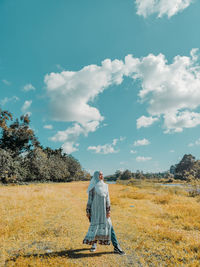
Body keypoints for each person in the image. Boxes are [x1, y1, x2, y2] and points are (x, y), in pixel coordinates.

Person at [83, 171, 125, 255]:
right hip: (95, 211)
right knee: (95, 228)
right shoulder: (92, 187)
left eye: (102, 174)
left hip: (104, 211)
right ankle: (94, 245)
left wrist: (108, 210)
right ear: (96, 176)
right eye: (100, 174)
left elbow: (108, 199)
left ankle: (116, 247)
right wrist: (88, 211)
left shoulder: (106, 186)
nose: (102, 176)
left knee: (110, 227)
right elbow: (90, 200)